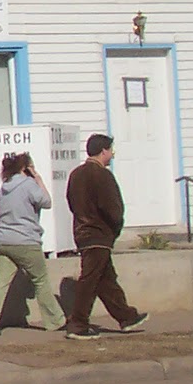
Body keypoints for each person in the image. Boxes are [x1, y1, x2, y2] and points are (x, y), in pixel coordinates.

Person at [63, 133, 148, 340]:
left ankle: (126, 316)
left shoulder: (76, 174)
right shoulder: (102, 175)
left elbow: (71, 203)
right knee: (90, 279)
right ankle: (78, 323)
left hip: (82, 232)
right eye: (111, 150)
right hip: (98, 234)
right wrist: (115, 229)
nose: (112, 154)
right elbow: (113, 208)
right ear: (103, 151)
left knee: (106, 279)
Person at [0, 152, 65, 336]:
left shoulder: (4, 188)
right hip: (26, 241)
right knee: (40, 280)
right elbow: (46, 202)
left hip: (3, 241)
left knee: (1, 281)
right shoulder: (28, 185)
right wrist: (38, 179)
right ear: (26, 168)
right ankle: (55, 321)